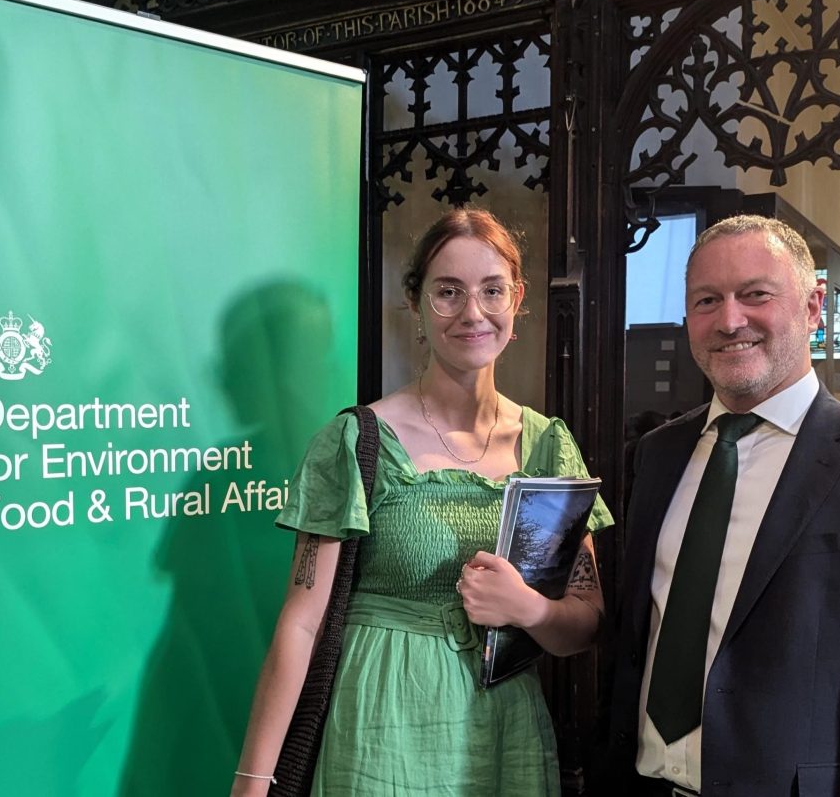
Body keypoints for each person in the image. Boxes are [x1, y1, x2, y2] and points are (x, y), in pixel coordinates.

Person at [232, 207, 613, 796]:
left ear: (517, 300)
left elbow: (584, 624)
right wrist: (253, 782)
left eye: (492, 290)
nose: (472, 312)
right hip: (381, 728)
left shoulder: (549, 448)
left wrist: (528, 609)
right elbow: (301, 624)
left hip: (504, 732)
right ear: (415, 303)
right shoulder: (356, 441)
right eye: (448, 292)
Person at [605, 214, 840, 796]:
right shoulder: (658, 454)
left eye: (755, 294)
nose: (730, 320)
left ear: (812, 306)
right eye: (707, 300)